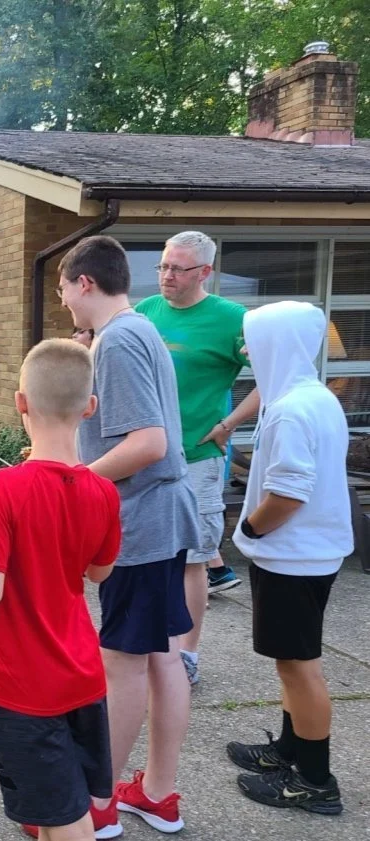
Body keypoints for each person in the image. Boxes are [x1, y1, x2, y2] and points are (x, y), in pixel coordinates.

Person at [0, 339, 122, 841]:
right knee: (64, 806)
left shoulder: (2, 487)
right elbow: (99, 573)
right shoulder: (104, 490)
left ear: (21, 402)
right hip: (83, 676)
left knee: (64, 818)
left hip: (25, 688)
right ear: (90, 407)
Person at [59, 235, 200, 834]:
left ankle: (98, 805)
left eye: (64, 288)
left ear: (85, 283)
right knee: (165, 656)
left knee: (122, 664)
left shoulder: (119, 340)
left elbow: (148, 443)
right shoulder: (133, 330)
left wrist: (73, 480)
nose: (64, 301)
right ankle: (157, 794)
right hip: (165, 518)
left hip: (141, 525)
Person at [226, 301, 350, 815]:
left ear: (276, 344)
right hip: (309, 555)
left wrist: (250, 528)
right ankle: (288, 750)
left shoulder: (290, 409)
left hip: (293, 558)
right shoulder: (315, 397)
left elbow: (289, 494)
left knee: (300, 669)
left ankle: (315, 783)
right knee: (291, 664)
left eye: (252, 340)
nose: (246, 350)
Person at [136, 231, 261, 686]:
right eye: (163, 266)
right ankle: (149, 645)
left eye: (178, 268)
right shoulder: (146, 311)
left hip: (198, 458)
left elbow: (274, 376)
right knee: (147, 556)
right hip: (145, 456)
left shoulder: (233, 319)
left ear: (205, 271)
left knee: (193, 559)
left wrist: (229, 425)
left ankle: (187, 654)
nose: (166, 275)